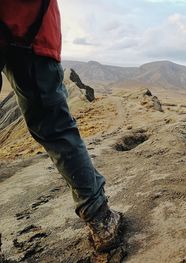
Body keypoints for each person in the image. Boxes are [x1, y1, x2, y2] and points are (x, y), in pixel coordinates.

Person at [0, 0, 122, 253]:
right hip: (33, 33)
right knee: (57, 129)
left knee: (56, 127)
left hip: (32, 33)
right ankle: (100, 219)